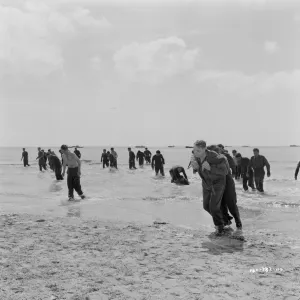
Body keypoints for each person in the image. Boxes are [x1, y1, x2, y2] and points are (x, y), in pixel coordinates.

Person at [190, 140, 228, 235]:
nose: (195, 152)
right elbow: (197, 167)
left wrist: (210, 168)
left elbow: (225, 171)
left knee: (214, 207)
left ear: (204, 149)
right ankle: (224, 221)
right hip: (206, 183)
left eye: (198, 150)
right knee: (206, 206)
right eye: (194, 150)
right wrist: (195, 168)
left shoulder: (214, 156)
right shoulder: (196, 156)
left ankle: (220, 227)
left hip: (218, 183)